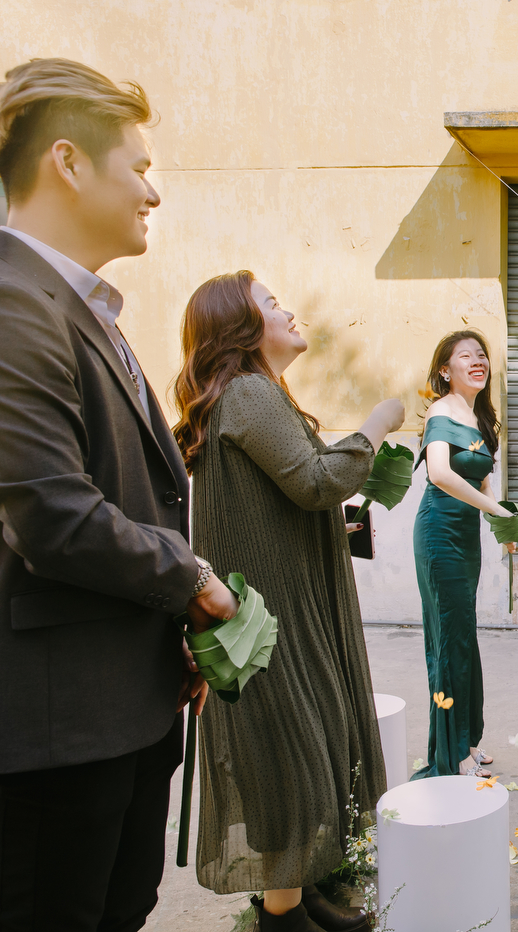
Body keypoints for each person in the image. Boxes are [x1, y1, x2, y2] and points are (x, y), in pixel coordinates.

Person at [0, 59, 239, 932]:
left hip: (120, 712)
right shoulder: (14, 301)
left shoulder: (83, 305)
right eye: (137, 166)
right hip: (59, 735)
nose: (153, 190)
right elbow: (50, 514)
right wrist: (191, 580)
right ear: (67, 162)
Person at [173, 271, 404, 932]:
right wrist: (375, 428)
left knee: (298, 753)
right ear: (243, 329)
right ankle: (280, 917)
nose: (290, 309)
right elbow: (309, 483)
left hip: (273, 614)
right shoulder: (248, 392)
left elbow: (282, 500)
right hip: (271, 622)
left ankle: (294, 899)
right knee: (293, 761)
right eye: (272, 304)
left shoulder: (251, 394)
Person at [412, 329, 514, 781]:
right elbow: (439, 473)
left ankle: (468, 738)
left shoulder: (479, 418)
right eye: (465, 355)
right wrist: (493, 508)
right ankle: (452, 755)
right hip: (439, 534)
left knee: (463, 637)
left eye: (481, 354)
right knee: (448, 642)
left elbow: (483, 480)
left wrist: (503, 526)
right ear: (445, 369)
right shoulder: (442, 410)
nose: (477, 360)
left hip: (466, 536)